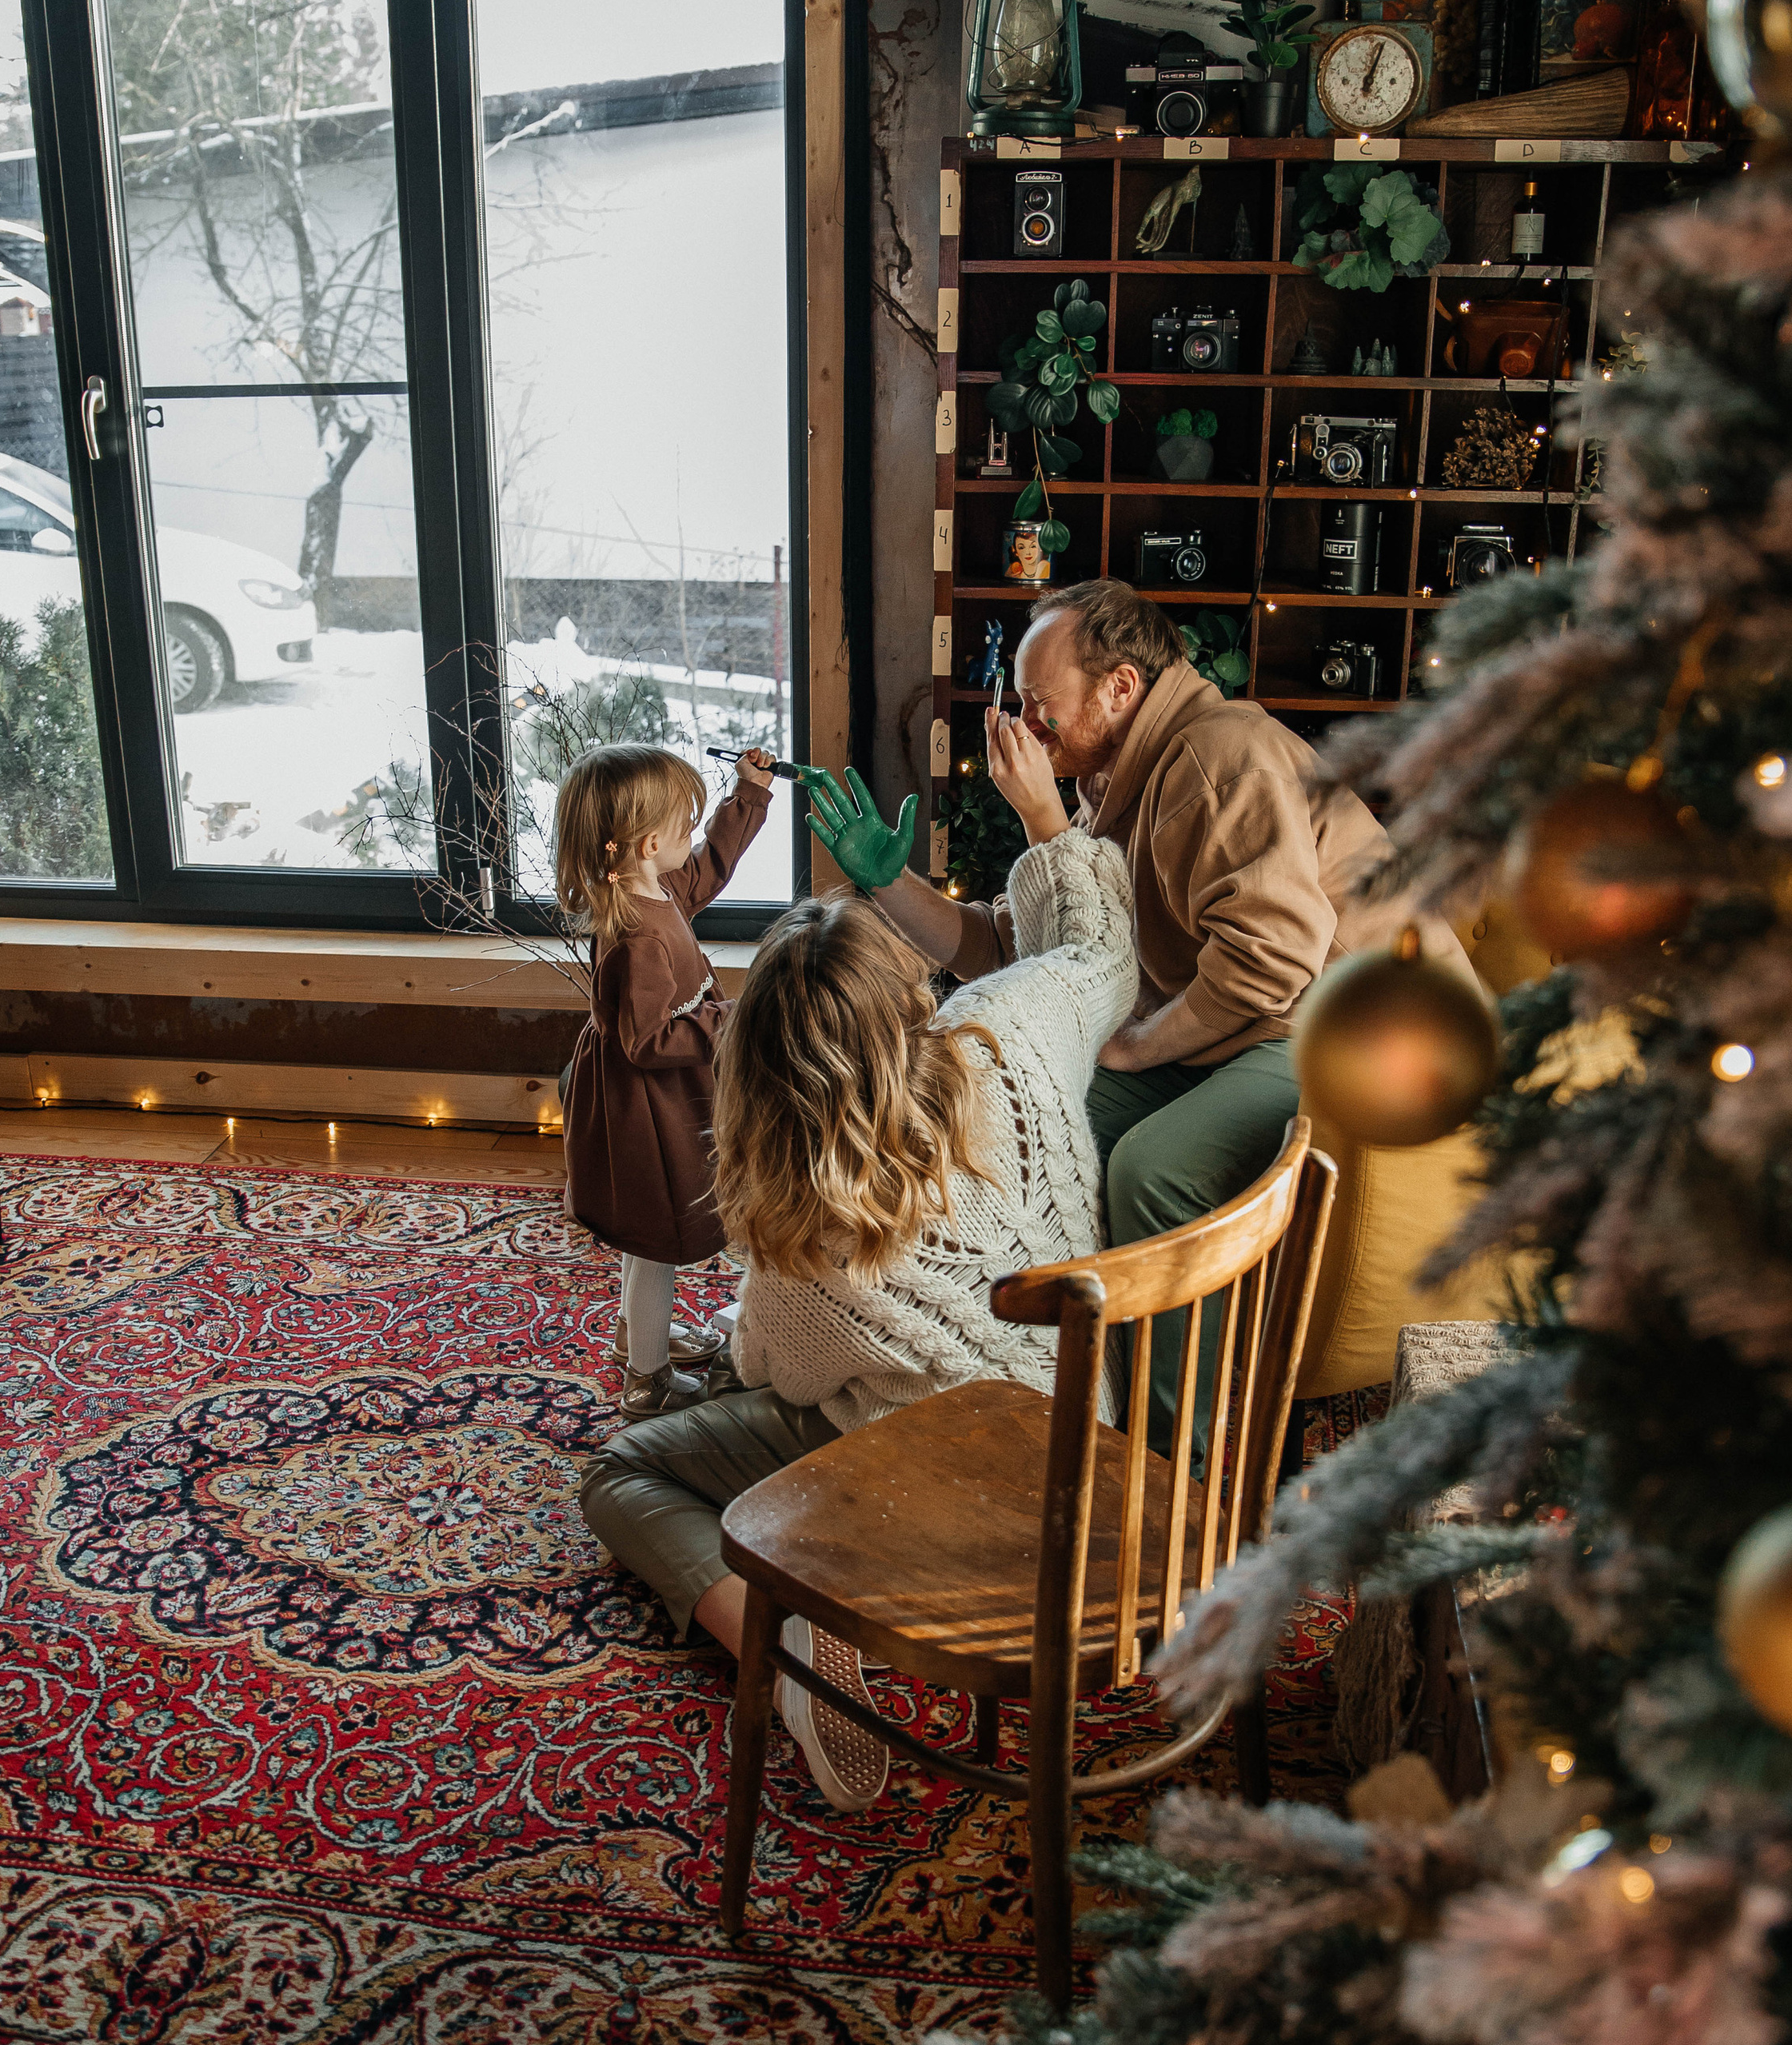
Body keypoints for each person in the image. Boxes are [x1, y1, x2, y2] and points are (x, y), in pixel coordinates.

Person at [580, 709, 1137, 1812]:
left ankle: (781, 1645)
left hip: (923, 1508)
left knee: (623, 1473)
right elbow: (1100, 948)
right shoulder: (1012, 1030)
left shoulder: (796, 1225)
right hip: (1084, 1447)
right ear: (910, 992)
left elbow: (779, 1377)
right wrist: (1040, 813)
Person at [810, 577, 1481, 1452]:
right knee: (1026, 1121)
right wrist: (884, 880)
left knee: (1152, 1168)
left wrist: (1134, 1047)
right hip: (1263, 1021)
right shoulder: (1107, 786)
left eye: (1040, 703)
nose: (1022, 721)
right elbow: (1010, 948)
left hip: (1359, 1027)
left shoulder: (1217, 753)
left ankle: (1173, 1460)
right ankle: (1035, 1381)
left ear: (1119, 688)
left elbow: (1274, 957)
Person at [557, 739, 772, 1420]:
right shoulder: (638, 933)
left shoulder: (651, 887)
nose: (691, 834)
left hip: (663, 1096)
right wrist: (727, 1017)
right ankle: (646, 1380)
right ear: (648, 843)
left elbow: (708, 867)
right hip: (647, 1109)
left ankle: (637, 1337)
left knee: (646, 1235)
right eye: (684, 824)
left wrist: (749, 797)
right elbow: (648, 1040)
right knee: (658, 1240)